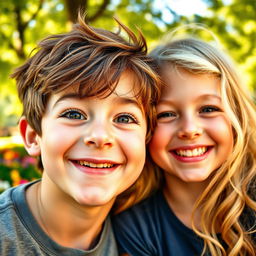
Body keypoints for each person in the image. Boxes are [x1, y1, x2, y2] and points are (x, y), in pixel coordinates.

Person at [0, 12, 161, 255]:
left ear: (146, 140)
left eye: (125, 118)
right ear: (33, 136)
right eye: (74, 114)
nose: (100, 136)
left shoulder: (140, 238)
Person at [112, 35, 256, 255]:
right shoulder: (136, 226)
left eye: (208, 109)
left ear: (237, 117)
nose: (189, 129)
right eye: (166, 114)